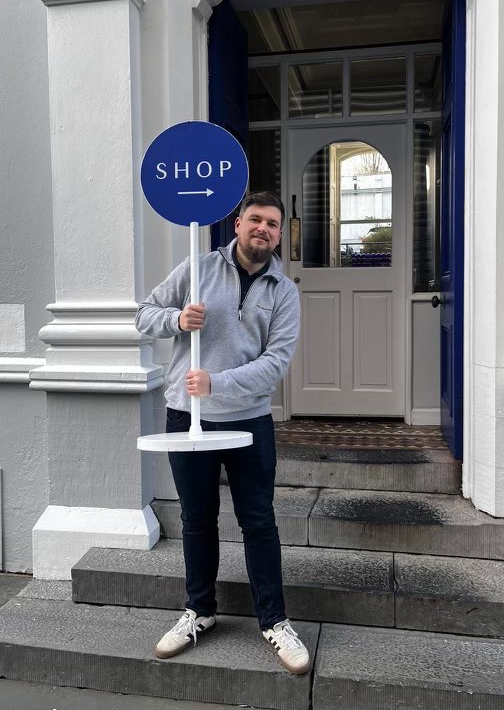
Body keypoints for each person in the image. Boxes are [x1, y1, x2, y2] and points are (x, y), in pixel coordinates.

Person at [135, 191, 309, 675]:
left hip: (249, 420)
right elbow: (143, 315)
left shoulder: (284, 291)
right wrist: (176, 320)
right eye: (255, 219)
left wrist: (218, 383)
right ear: (238, 223)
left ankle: (274, 621)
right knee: (197, 518)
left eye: (272, 224)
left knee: (259, 520)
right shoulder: (197, 268)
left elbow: (276, 362)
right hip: (187, 415)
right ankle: (200, 611)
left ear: (279, 234)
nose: (263, 229)